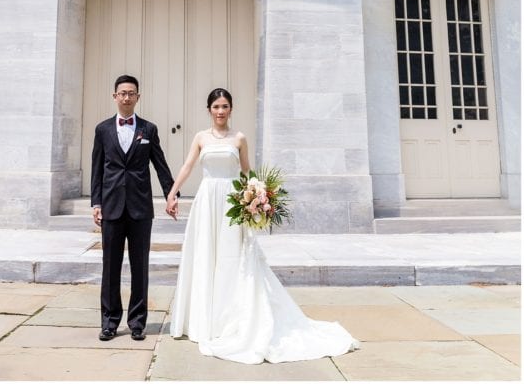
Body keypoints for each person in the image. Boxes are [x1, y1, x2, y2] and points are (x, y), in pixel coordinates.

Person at [165, 87, 359, 364]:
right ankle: (204, 322)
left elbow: (247, 172)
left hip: (232, 203)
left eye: (225, 106)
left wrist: (259, 196)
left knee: (233, 259)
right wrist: (173, 193)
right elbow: (187, 166)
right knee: (206, 256)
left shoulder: (239, 138)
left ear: (231, 109)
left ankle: (230, 320)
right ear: (209, 109)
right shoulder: (200, 137)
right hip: (207, 201)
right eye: (216, 106)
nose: (220, 111)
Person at [91, 74, 177, 341]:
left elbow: (160, 164)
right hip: (112, 207)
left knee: (140, 266)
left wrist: (171, 194)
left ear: (138, 97)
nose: (127, 97)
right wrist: (96, 202)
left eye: (131, 93)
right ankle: (109, 322)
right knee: (110, 266)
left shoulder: (148, 129)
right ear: (115, 96)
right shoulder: (102, 129)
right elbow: (97, 168)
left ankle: (138, 322)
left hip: (140, 208)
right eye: (122, 93)